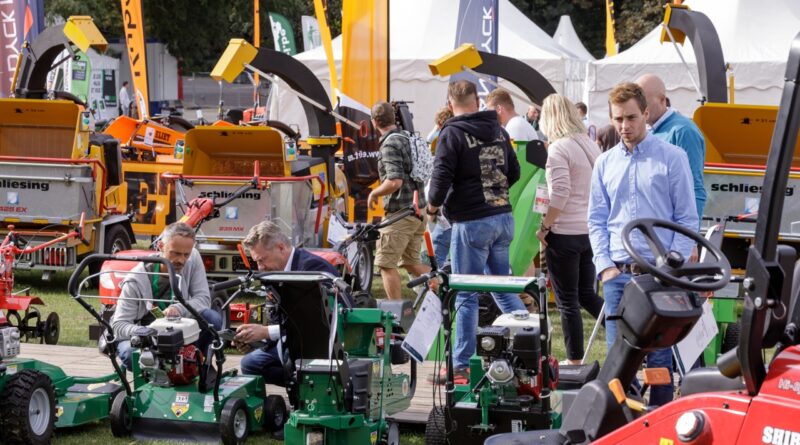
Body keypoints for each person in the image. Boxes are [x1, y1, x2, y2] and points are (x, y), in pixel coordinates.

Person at [588, 82, 698, 406]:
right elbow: (596, 220)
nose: (624, 126)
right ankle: (621, 430)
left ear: (646, 114)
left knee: (660, 362)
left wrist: (670, 267)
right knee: (617, 363)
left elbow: (686, 220)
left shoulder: (672, 158)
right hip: (618, 275)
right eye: (618, 119)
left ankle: (660, 425)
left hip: (658, 277)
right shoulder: (604, 163)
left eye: (631, 118)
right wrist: (604, 266)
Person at [426, 79, 526, 384]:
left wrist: (432, 208)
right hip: (503, 216)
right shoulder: (498, 129)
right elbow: (516, 171)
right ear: (477, 100)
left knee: (466, 295)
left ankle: (459, 366)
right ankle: (530, 347)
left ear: (449, 102)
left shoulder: (452, 132)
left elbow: (441, 175)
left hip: (471, 222)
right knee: (502, 287)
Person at [535, 94, 604, 365]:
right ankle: (623, 331)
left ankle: (574, 359)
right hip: (588, 230)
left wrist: (545, 225)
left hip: (564, 232)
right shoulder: (589, 144)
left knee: (568, 302)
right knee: (587, 294)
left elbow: (560, 193)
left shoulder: (559, 148)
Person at [234, 220, 340, 386]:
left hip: (322, 343)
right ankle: (299, 386)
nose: (260, 267)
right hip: (291, 340)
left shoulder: (312, 270)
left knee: (285, 359)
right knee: (250, 364)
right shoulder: (273, 272)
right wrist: (255, 341)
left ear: (281, 248)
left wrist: (266, 332)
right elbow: (278, 319)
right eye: (256, 262)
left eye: (262, 260)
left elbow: (317, 322)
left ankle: (308, 388)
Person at [111, 222, 223, 369]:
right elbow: (119, 326)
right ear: (161, 247)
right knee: (130, 353)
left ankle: (196, 366)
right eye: (175, 253)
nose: (182, 260)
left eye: (186, 254)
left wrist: (179, 308)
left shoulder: (193, 258)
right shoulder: (135, 280)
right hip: (145, 336)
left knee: (212, 318)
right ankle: (156, 382)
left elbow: (203, 299)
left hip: (179, 328)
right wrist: (144, 332)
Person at [367, 101, 431, 300]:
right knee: (410, 262)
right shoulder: (407, 137)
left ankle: (394, 313)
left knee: (386, 264)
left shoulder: (390, 144)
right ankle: (443, 285)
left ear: (374, 122)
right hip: (419, 210)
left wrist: (374, 193)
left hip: (401, 214)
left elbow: (394, 181)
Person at [636, 74, 707, 220]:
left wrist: (689, 236)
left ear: (662, 100)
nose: (640, 109)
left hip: (670, 231)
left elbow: (694, 188)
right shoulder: (651, 130)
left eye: (645, 103)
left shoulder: (683, 131)